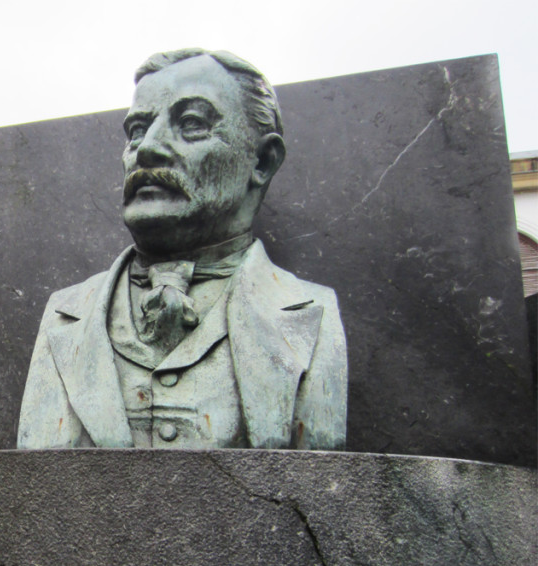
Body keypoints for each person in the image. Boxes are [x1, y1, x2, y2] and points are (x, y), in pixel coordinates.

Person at [18, 48, 347, 452]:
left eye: (191, 123)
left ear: (262, 160)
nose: (147, 149)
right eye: (137, 130)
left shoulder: (310, 313)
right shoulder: (64, 315)